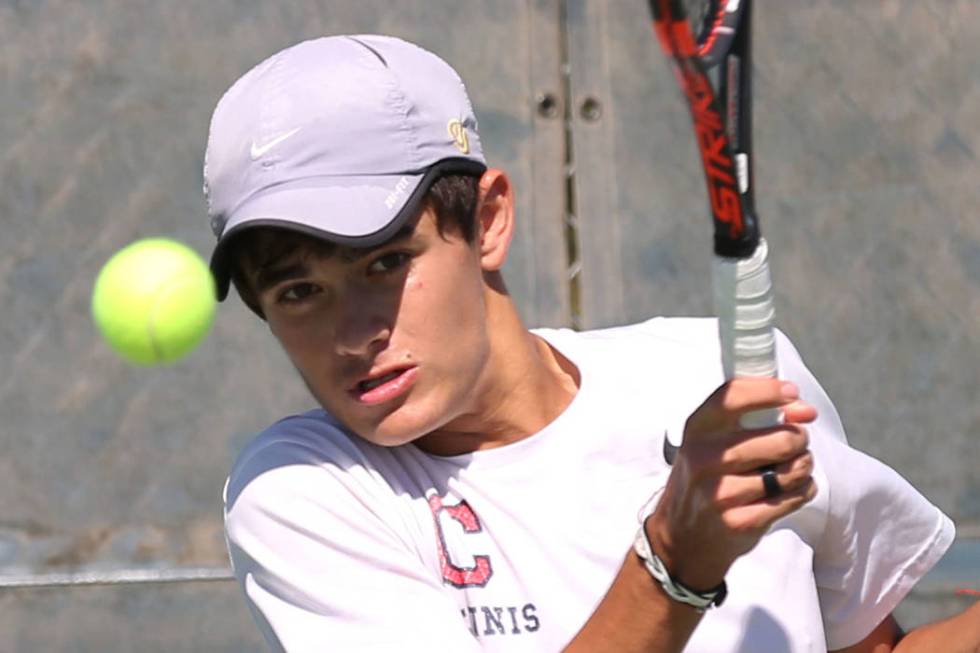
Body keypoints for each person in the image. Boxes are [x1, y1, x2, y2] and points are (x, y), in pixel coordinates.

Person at [203, 35, 976, 652]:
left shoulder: (716, 372)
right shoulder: (297, 492)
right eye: (298, 291)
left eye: (385, 262)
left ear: (490, 219)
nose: (351, 335)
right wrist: (673, 557)